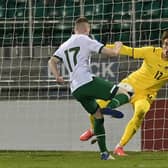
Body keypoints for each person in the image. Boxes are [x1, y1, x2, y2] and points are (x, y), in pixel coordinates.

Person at [48, 17, 133, 160]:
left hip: (75, 90)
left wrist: (58, 76)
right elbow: (113, 54)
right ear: (87, 30)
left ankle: (104, 154)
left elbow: (52, 61)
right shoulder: (85, 40)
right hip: (87, 81)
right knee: (127, 92)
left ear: (74, 29)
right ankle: (109, 107)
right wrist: (118, 45)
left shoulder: (64, 45)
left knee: (97, 117)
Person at [80, 30, 168, 156]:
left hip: (146, 95)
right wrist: (100, 47)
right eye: (166, 44)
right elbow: (128, 50)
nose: (167, 48)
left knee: (141, 111)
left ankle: (119, 147)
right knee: (98, 105)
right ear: (162, 44)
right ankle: (93, 129)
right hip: (129, 85)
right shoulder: (151, 52)